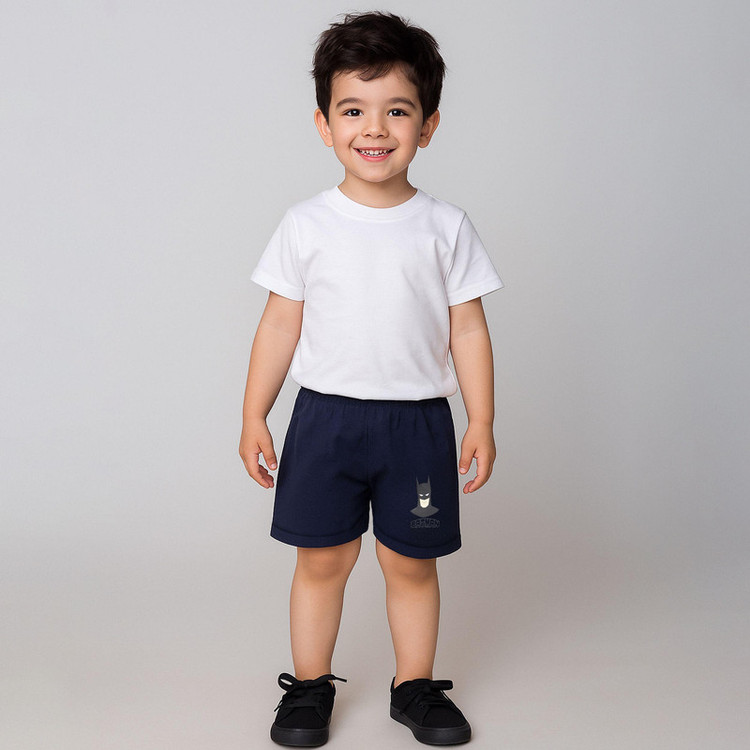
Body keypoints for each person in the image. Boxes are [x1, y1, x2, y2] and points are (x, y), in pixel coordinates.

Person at [239, 10, 503, 747]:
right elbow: (279, 325)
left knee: (411, 563)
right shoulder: (306, 224)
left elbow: (468, 330)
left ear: (429, 124)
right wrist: (255, 413)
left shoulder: (445, 227)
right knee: (322, 560)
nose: (375, 128)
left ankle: (413, 686)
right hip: (325, 420)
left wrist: (481, 420)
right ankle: (309, 688)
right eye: (353, 110)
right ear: (324, 124)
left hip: (415, 425)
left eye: (398, 110)